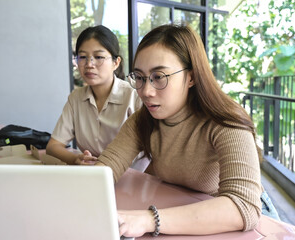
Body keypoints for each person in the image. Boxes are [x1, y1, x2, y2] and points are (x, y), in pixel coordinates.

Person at [95, 24, 279, 237]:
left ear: (191, 77)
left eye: (159, 77)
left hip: (248, 221)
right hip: (184, 208)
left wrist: (148, 219)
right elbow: (106, 168)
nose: (146, 91)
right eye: (140, 77)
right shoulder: (144, 119)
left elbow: (243, 206)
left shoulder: (224, 120)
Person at [46, 25, 142, 165]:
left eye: (98, 57)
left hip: (133, 176)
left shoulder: (134, 96)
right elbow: (53, 146)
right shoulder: (76, 99)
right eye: (83, 57)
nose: (89, 64)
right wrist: (75, 159)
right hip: (93, 174)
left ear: (116, 62)